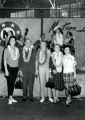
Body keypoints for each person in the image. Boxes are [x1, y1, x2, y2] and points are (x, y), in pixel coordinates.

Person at [4, 36, 20, 105]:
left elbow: (18, 59)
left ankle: (11, 96)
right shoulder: (6, 49)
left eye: (14, 40)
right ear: (9, 41)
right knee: (9, 83)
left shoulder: (17, 49)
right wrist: (6, 70)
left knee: (13, 83)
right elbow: (4, 60)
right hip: (9, 67)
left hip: (16, 68)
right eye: (11, 40)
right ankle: (10, 98)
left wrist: (19, 69)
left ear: (15, 41)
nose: (12, 41)